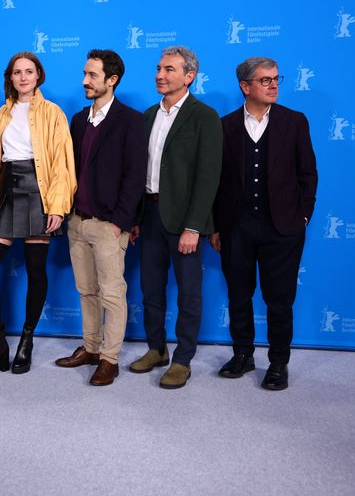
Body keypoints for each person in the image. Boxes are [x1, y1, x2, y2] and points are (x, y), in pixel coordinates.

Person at [210, 57, 317, 391]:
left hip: (282, 227)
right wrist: (216, 226)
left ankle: (278, 363)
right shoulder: (224, 126)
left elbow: (308, 175)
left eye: (276, 79)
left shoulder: (295, 122)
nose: (274, 85)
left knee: (280, 299)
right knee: (239, 295)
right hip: (236, 227)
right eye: (265, 80)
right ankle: (242, 355)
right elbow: (214, 182)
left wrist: (301, 218)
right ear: (245, 87)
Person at [0, 51, 76, 378]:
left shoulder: (53, 112)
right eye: (17, 72)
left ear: (38, 76)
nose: (23, 77)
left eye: (29, 71)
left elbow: (62, 163)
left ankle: (27, 340)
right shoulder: (1, 113)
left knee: (36, 269)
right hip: (6, 190)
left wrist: (57, 207)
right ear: (11, 77)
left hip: (39, 191)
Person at [129, 46, 222, 389]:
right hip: (150, 214)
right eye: (158, 68)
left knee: (188, 293)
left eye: (169, 69)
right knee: (150, 289)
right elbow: (142, 173)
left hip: (185, 220)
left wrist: (194, 226)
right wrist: (136, 217)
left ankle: (183, 358)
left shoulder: (204, 116)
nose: (159, 74)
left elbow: (208, 176)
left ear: (189, 76)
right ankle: (156, 349)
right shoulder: (147, 116)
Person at [55, 50, 147, 386]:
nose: (84, 81)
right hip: (77, 222)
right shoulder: (78, 120)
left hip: (109, 225)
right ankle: (91, 349)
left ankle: (109, 359)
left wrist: (119, 222)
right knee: (86, 291)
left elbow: (135, 177)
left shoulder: (132, 121)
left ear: (112, 80)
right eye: (84, 73)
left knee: (112, 294)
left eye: (92, 75)